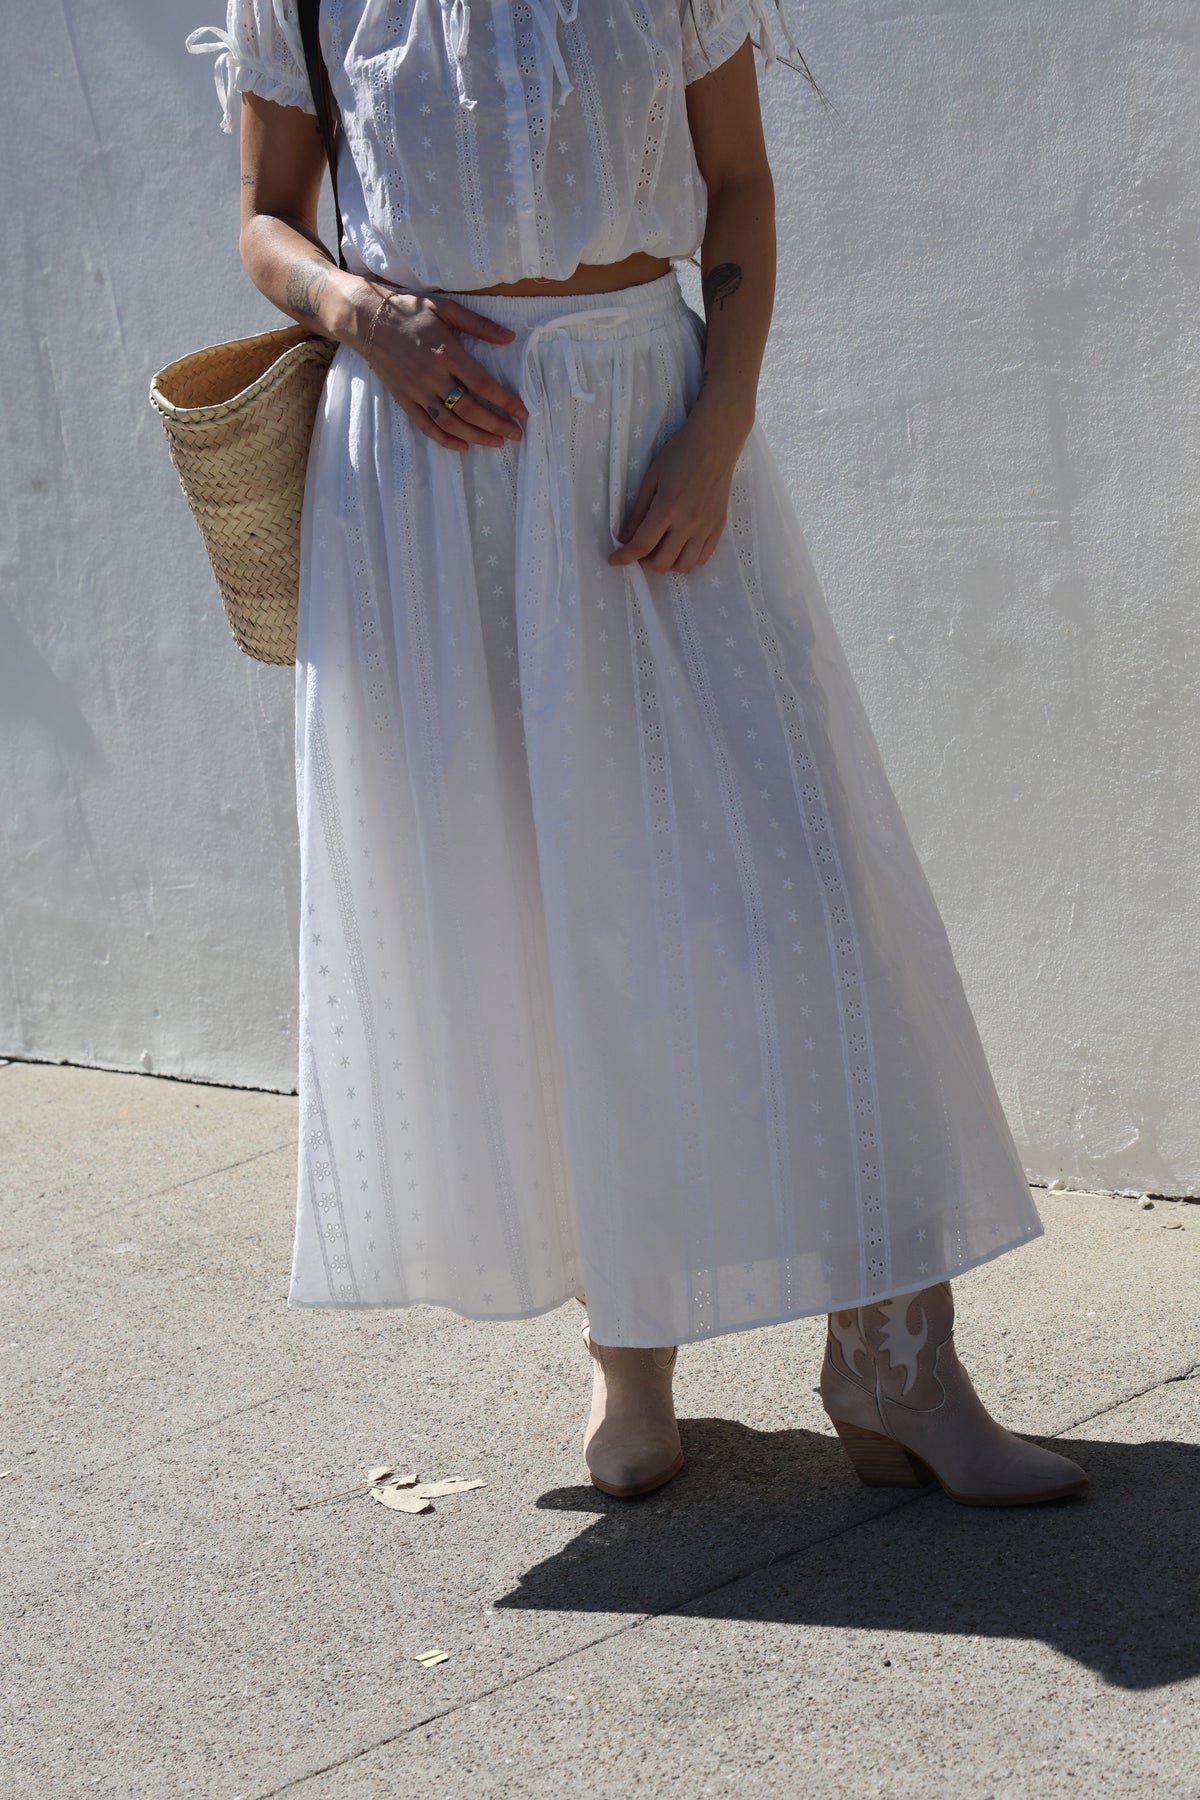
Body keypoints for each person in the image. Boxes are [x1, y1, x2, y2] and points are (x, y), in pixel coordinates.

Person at [186, 0, 1087, 1508]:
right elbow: (267, 223)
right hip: (429, 463)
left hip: (644, 425)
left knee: (807, 893)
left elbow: (735, 179)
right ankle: (632, 1355)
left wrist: (721, 413)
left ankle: (897, 1354)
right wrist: (355, 312)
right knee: (540, 915)